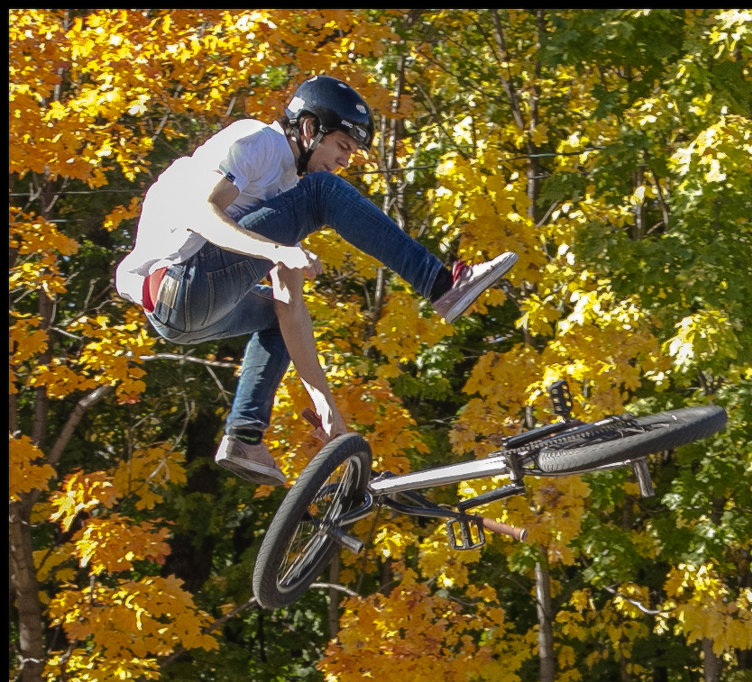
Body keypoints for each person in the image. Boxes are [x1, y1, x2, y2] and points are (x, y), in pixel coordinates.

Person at [115, 75, 518, 486]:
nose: (346, 160)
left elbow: (291, 308)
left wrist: (326, 406)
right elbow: (203, 213)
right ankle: (439, 283)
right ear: (309, 129)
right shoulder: (257, 141)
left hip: (177, 317)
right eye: (343, 146)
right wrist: (275, 250)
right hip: (183, 280)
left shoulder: (287, 192)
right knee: (325, 191)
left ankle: (245, 437)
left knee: (276, 317)